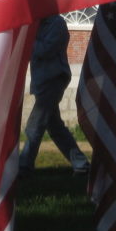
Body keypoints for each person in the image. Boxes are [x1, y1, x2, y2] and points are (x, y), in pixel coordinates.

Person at [19, 14, 90, 175]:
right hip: (42, 81)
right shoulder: (36, 24)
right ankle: (81, 163)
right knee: (55, 127)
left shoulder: (57, 24)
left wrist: (27, 39)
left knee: (35, 123)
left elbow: (46, 50)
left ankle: (24, 165)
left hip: (54, 78)